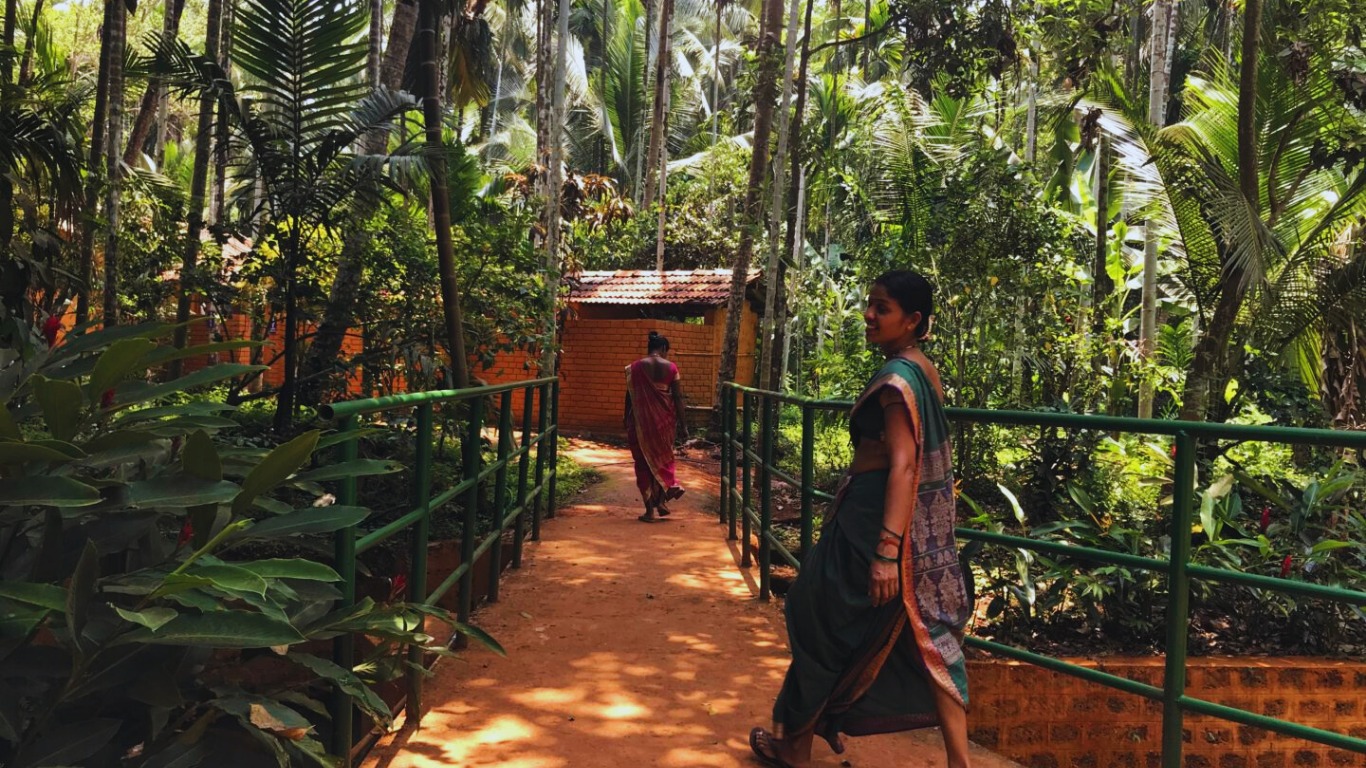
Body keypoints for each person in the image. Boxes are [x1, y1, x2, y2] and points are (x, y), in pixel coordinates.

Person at [749, 270, 972, 768]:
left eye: (882, 308)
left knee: (815, 619)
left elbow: (904, 464)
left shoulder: (897, 381)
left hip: (872, 522)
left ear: (913, 320)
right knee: (929, 638)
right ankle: (960, 762)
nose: (869, 315)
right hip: (912, 525)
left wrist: (886, 551)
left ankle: (793, 748)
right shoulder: (923, 370)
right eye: (870, 304)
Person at [625, 331, 687, 522]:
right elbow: (677, 397)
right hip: (664, 424)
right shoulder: (672, 368)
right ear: (663, 348)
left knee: (643, 464)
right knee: (662, 460)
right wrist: (684, 425)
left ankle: (649, 512)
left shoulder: (634, 368)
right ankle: (661, 499)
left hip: (640, 423)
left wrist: (626, 420)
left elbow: (629, 396)